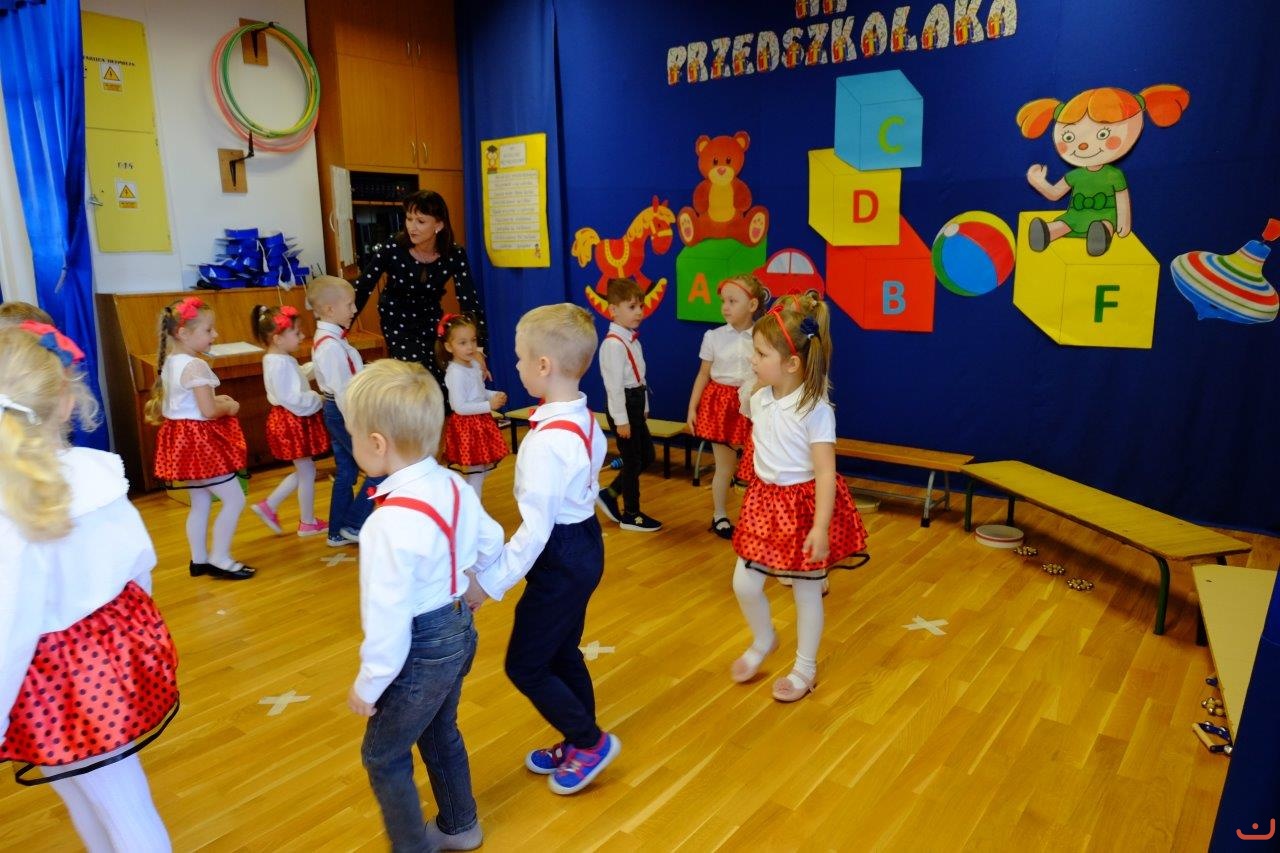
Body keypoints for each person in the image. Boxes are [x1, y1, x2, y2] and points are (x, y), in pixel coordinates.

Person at [0, 324, 178, 851]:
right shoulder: (94, 474)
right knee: (98, 796)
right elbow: (140, 567)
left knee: (112, 801)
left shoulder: (14, 500)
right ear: (66, 401)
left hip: (53, 678)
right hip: (102, 661)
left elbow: (11, 628)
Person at [344, 359, 502, 852]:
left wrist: (370, 683)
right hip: (459, 629)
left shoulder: (385, 524)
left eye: (352, 435)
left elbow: (388, 620)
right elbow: (492, 539)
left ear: (377, 444)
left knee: (382, 755)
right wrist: (470, 578)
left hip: (423, 646)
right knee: (438, 729)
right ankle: (460, 825)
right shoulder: (453, 484)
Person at [465, 304, 622, 796]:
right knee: (560, 650)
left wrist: (487, 584)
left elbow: (535, 533)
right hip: (584, 546)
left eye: (519, 358)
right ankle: (580, 738)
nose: (515, 366)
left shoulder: (543, 444)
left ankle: (590, 741)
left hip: (560, 557)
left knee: (526, 664)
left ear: (543, 366)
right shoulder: (586, 419)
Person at [729, 296, 868, 703]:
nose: (752, 359)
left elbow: (825, 472)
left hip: (802, 508)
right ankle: (764, 639)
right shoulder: (760, 398)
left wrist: (820, 526)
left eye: (761, 354)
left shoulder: (816, 409)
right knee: (744, 584)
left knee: (806, 592)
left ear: (792, 363)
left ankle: (805, 668)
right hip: (763, 503)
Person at [144, 296, 255, 580]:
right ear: (183, 333)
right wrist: (229, 406)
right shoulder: (196, 366)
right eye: (208, 330)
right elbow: (208, 411)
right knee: (234, 500)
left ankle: (199, 559)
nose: (215, 334)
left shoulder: (171, 361)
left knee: (201, 502)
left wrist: (219, 399)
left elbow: (190, 404)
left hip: (181, 440)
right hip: (200, 442)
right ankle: (220, 558)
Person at [351, 190, 489, 390]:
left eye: (420, 221)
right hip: (397, 319)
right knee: (416, 379)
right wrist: (338, 329)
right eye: (409, 219)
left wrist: (477, 348)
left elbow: (469, 301)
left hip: (431, 319)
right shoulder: (393, 247)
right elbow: (363, 287)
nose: (411, 227)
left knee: (443, 379)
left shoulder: (454, 254)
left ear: (438, 225)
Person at [686, 274, 765, 539]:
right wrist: (692, 407)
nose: (725, 307)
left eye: (733, 301)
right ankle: (720, 514)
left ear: (752, 305)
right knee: (724, 467)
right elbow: (703, 374)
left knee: (758, 468)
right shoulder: (714, 337)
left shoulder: (763, 336)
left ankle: (755, 518)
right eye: (723, 301)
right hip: (721, 407)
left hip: (754, 404)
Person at [308, 275, 383, 548]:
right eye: (350, 304)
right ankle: (354, 524)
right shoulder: (330, 345)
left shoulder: (332, 339)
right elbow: (343, 392)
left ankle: (336, 531)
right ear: (330, 309)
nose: (355, 309)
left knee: (347, 472)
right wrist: (358, 425)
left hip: (338, 410)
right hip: (343, 412)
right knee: (379, 468)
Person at [248, 304, 330, 538]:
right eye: (296, 333)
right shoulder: (280, 363)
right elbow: (291, 397)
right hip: (292, 420)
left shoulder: (277, 358)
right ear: (278, 338)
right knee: (307, 471)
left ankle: (272, 506)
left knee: (306, 470)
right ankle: (306, 522)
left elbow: (296, 376)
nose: (302, 336)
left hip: (290, 418)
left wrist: (316, 367)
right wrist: (318, 398)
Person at [594, 278, 662, 532]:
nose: (639, 312)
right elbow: (614, 387)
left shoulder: (632, 340)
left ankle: (610, 494)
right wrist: (621, 420)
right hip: (622, 406)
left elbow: (639, 379)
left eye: (641, 306)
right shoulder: (613, 344)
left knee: (647, 456)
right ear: (613, 310)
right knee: (632, 461)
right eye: (632, 307)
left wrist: (643, 406)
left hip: (635, 403)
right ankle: (631, 514)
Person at [438, 312, 508, 498]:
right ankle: (471, 508)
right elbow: (459, 407)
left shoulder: (474, 365)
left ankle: (464, 500)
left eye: (473, 340)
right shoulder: (455, 373)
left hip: (480, 423)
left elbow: (478, 392)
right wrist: (488, 405)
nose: (470, 347)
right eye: (462, 343)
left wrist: (493, 395)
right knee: (477, 472)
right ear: (449, 346)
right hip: (468, 427)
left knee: (481, 471)